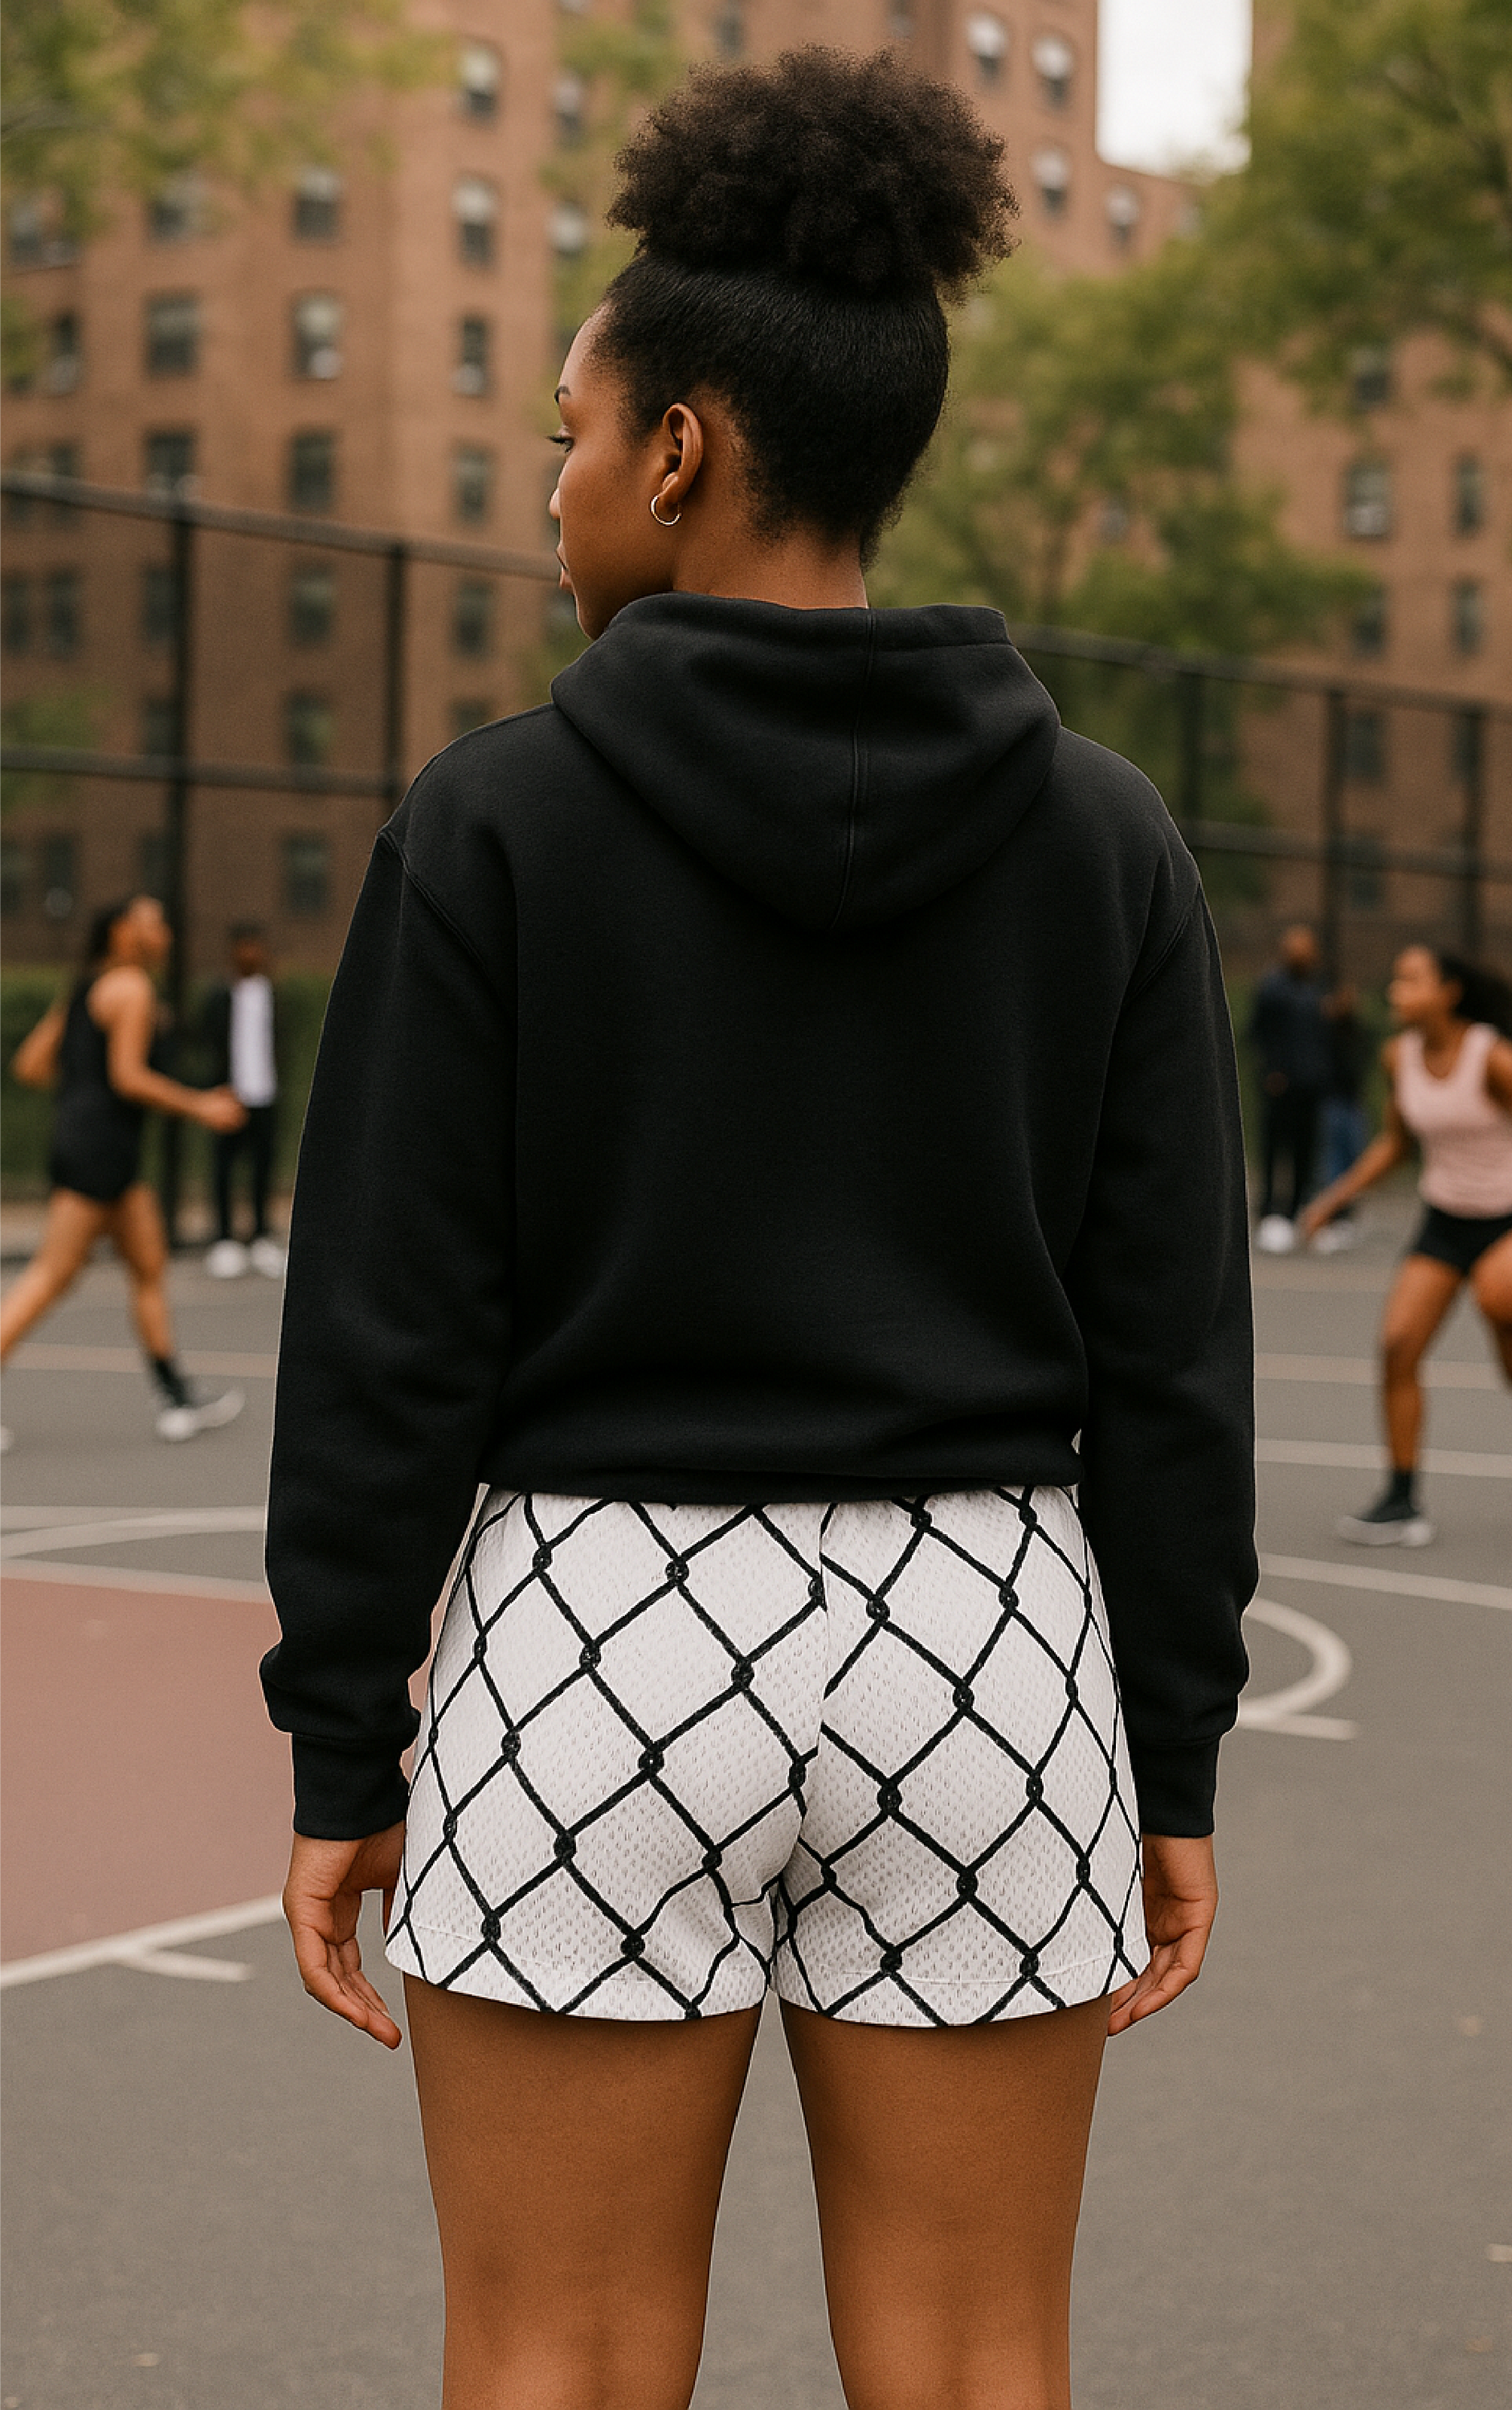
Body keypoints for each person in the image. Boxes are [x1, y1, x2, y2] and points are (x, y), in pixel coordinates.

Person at [263, 51, 1257, 2410]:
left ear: (684, 449)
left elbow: (391, 1332)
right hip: (991, 1632)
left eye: (571, 435)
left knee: (560, 2358)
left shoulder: (494, 822)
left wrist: (336, 1741)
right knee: (975, 2356)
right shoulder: (1104, 838)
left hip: (603, 1622)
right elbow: (1174, 1345)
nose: (552, 488)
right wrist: (1177, 1741)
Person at [1302, 945, 1512, 1545]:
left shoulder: (1494, 1059)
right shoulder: (1400, 1055)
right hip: (1444, 1219)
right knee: (1397, 1347)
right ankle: (1401, 1498)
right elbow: (1396, 1142)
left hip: (1510, 1223)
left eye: (1410, 979)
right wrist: (1334, 1197)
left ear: (1448, 992)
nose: (1395, 990)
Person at [2, 894, 247, 1448]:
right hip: (100, 1151)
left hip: (96, 1145)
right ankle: (175, 1395)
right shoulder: (133, 988)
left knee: (148, 1264)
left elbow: (31, 1065)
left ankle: (175, 1396)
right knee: (52, 1276)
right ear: (121, 932)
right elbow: (130, 1077)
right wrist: (202, 1105)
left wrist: (79, 1096)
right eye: (152, 921)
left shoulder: (87, 987)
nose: (163, 929)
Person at [198, 923, 284, 1279]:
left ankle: (262, 1235)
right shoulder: (219, 995)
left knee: (263, 1167)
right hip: (229, 1094)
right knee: (224, 1168)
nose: (250, 954)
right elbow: (204, 1041)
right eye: (244, 947)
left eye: (256, 947)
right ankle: (224, 1239)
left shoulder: (274, 994)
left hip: (265, 1093)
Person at [1247, 923, 1329, 1252]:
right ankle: (1269, 1214)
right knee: (1273, 1150)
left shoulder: (1318, 989)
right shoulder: (1272, 988)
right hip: (1280, 1085)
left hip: (1311, 1086)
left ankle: (1297, 1213)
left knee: (1305, 1152)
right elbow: (1258, 1032)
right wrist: (1271, 1071)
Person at [1310, 982, 1371, 1255]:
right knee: (1333, 1163)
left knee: (1351, 1161)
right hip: (1333, 1103)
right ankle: (1330, 1217)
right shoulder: (1325, 1031)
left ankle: (1344, 1216)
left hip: (1352, 1103)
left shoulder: (1357, 1031)